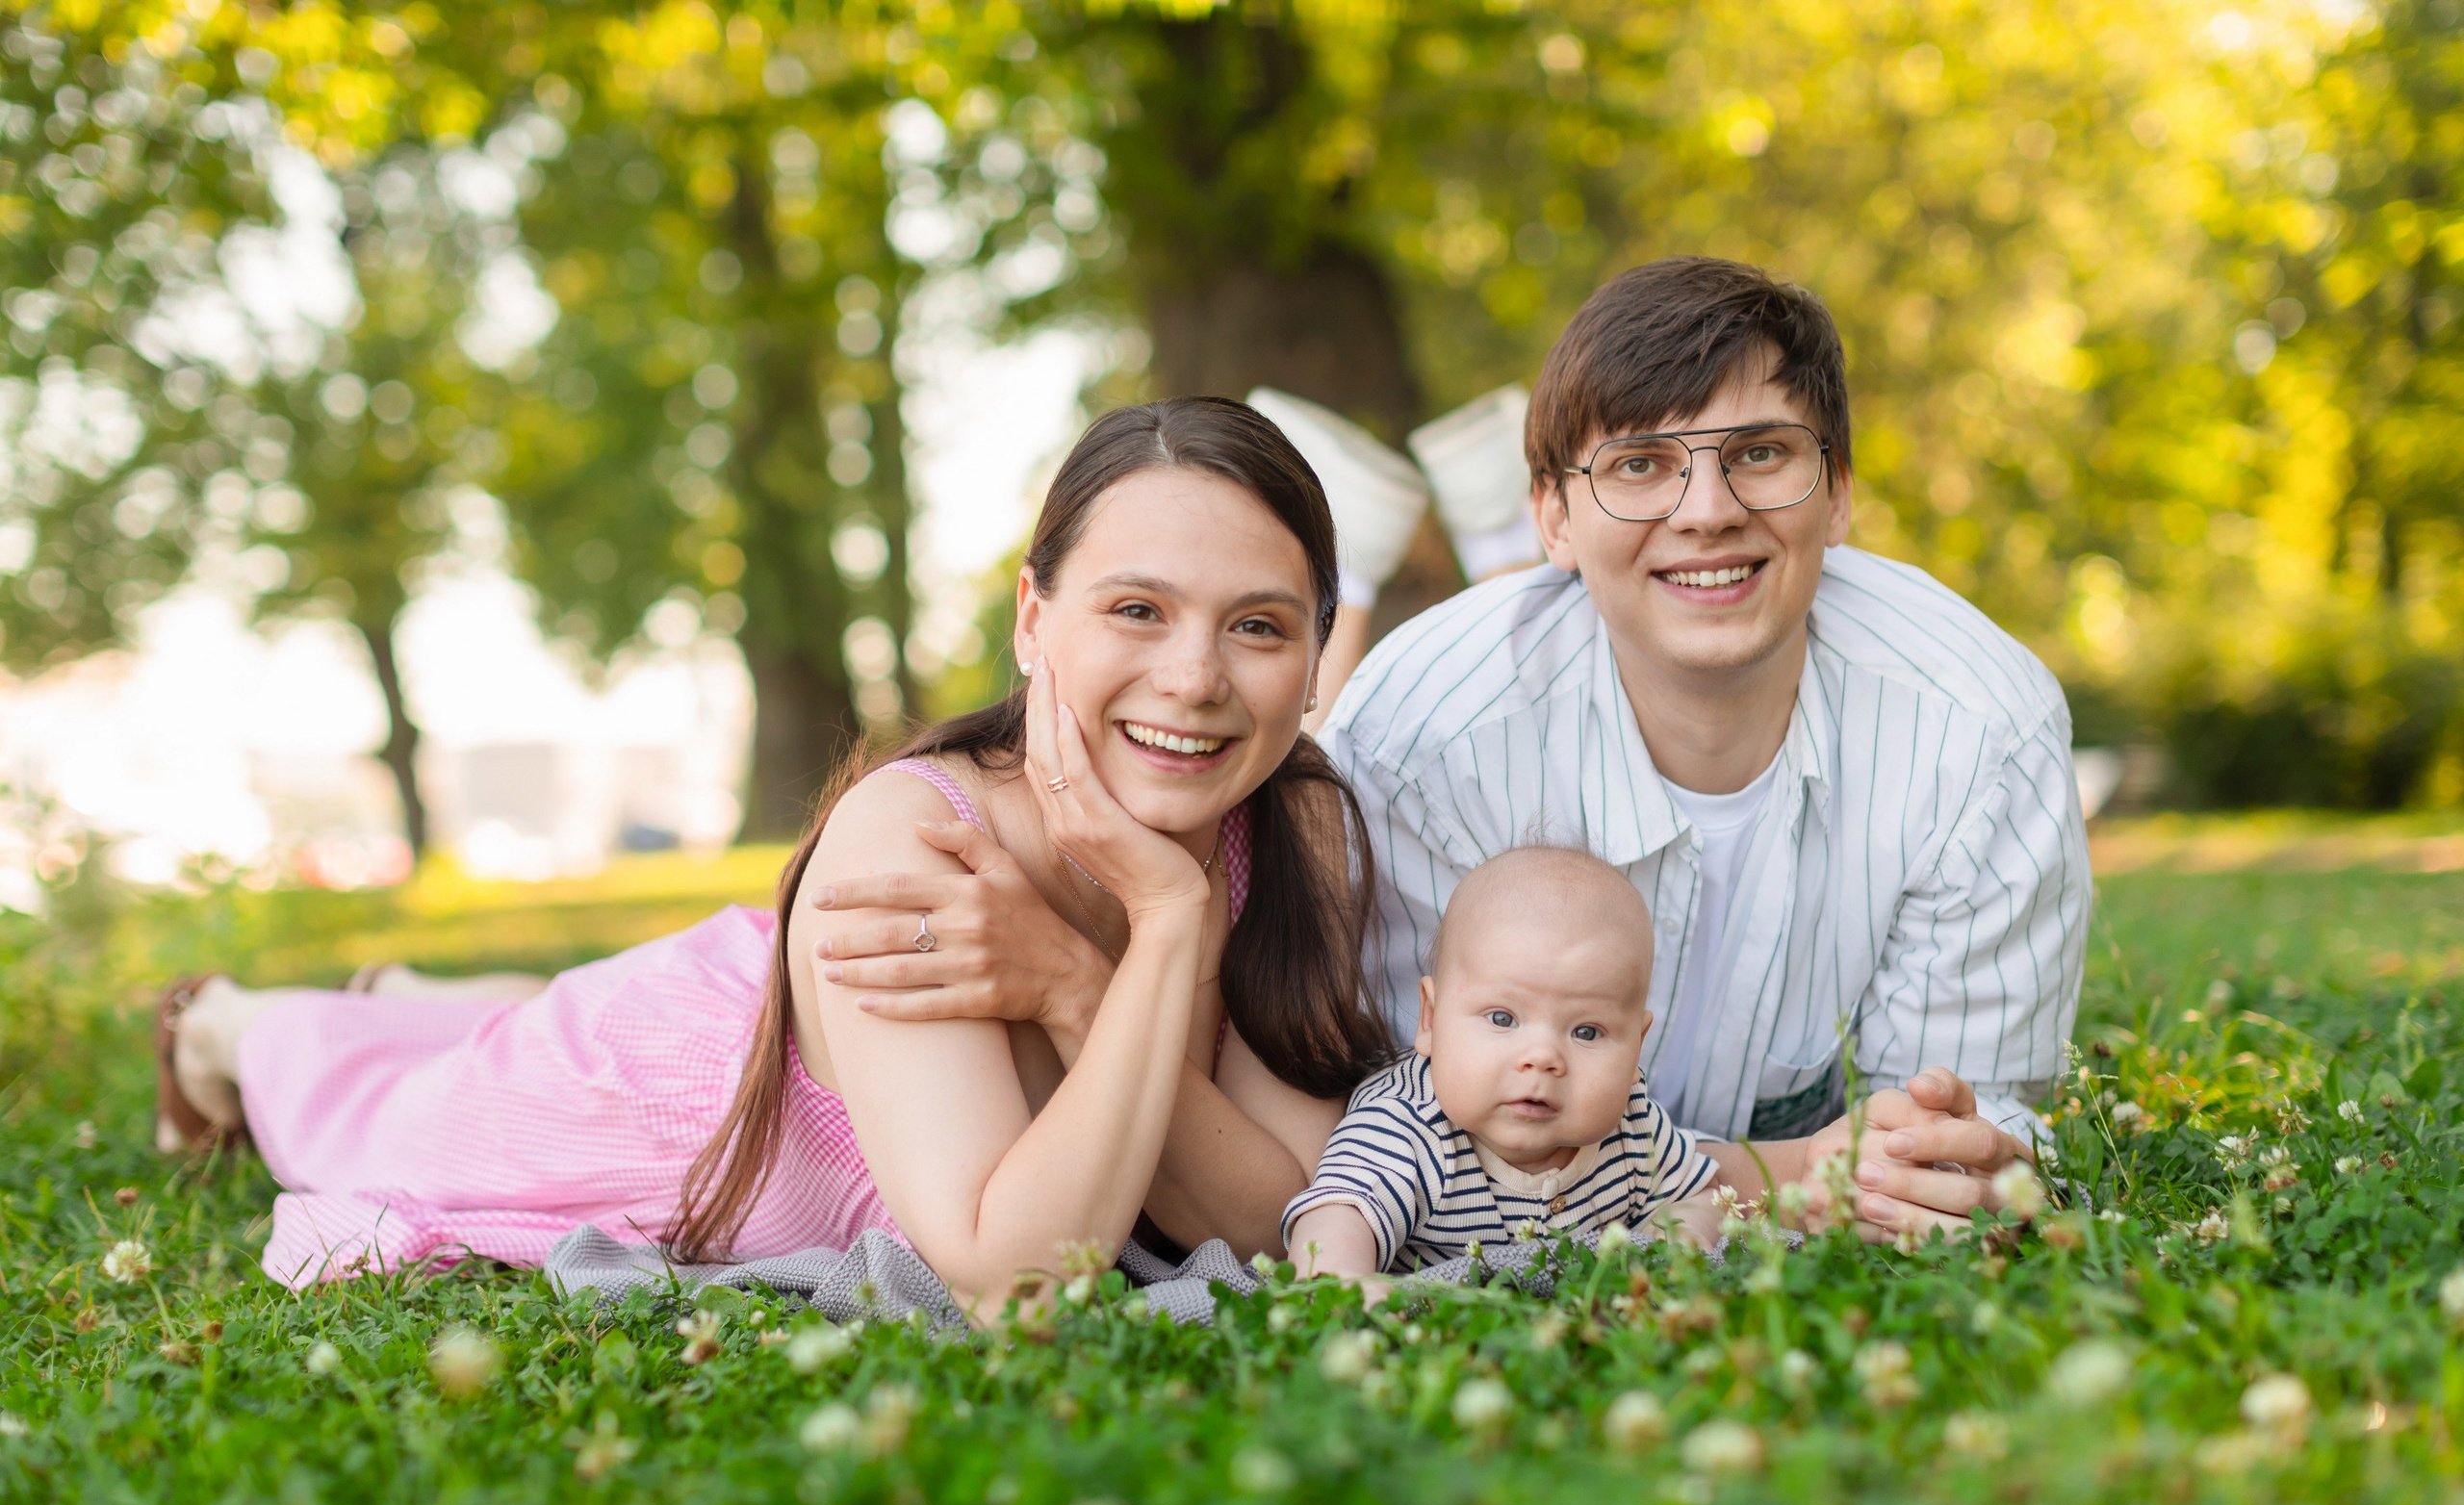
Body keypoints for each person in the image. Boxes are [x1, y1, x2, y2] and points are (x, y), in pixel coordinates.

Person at [152, 397, 1392, 1314]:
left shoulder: (1292, 826)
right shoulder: (919, 841)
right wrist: (1166, 935)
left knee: (497, 1021)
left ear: (1315, 655)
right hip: (650, 1093)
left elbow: (1282, 1221)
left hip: (770, 1006)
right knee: (390, 1119)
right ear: (1032, 619)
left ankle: (413, 998)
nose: (1193, 677)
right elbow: (1016, 1277)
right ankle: (228, 1026)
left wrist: (1089, 977)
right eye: (1136, 609)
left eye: (1258, 627)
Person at [1320, 257, 2089, 1240]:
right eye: (1639, 464)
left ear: (1837, 492)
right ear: (1552, 519)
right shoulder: (1424, 736)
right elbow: (1412, 1121)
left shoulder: (1979, 730)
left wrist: (1946, 1165)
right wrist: (1781, 1181)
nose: (1707, 511)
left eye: (1760, 453)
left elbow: (1967, 1111)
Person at [1284, 846, 1721, 1279]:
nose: (1542, 1058)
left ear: (1635, 1049)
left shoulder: (1633, 1124)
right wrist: (1345, 1283)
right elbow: (1336, 1217)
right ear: (1431, 1019)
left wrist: (1681, 1231)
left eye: (1586, 1032)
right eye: (1502, 1018)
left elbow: (1701, 1195)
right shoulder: (1406, 1127)